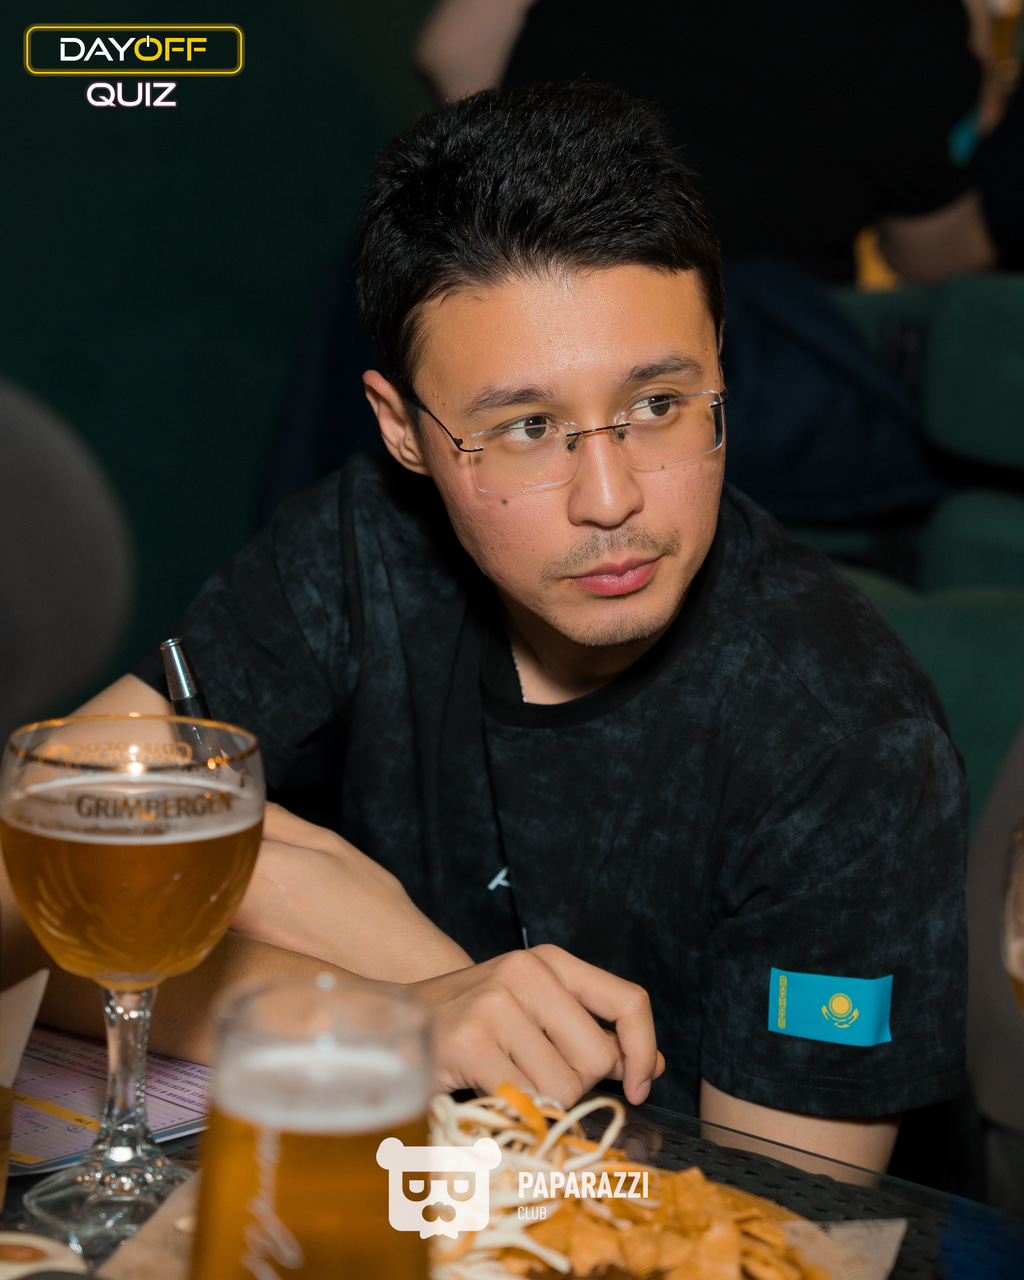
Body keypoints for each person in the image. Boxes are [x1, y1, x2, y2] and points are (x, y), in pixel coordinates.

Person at [0, 83, 967, 1173]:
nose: (611, 498)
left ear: (718, 366)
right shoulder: (360, 543)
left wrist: (371, 941)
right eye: (527, 427)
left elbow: (774, 1232)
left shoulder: (849, 741)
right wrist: (385, 1006)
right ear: (402, 431)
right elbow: (25, 878)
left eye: (658, 404)